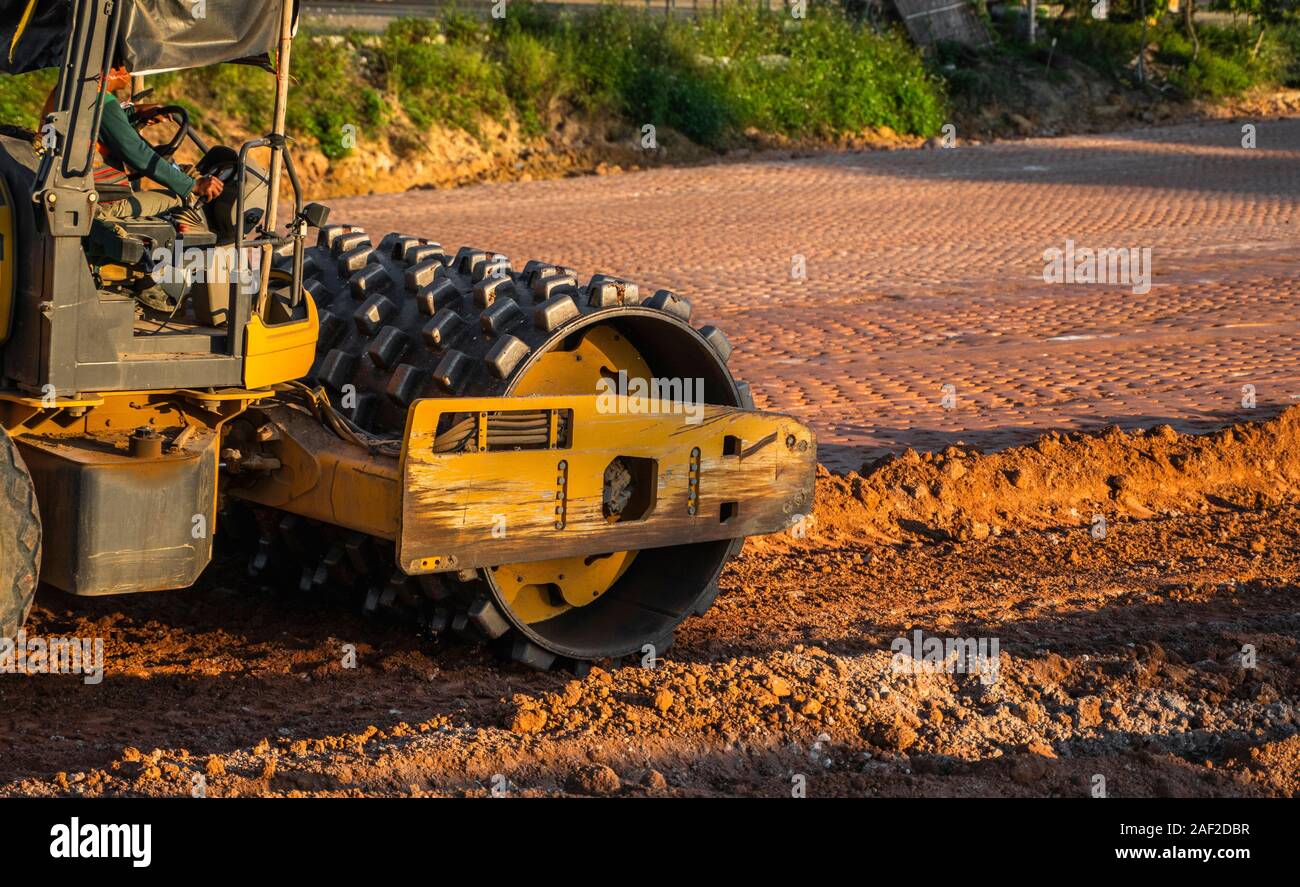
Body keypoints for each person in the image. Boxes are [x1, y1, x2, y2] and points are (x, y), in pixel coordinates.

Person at [44, 65, 224, 231]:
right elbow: (137, 153)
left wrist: (135, 113)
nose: (130, 74)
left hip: (71, 190)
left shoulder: (72, 91)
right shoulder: (98, 99)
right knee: (179, 196)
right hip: (98, 203)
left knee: (178, 179)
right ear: (114, 68)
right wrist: (194, 185)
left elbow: (100, 125)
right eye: (127, 66)